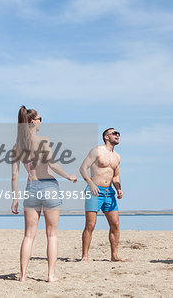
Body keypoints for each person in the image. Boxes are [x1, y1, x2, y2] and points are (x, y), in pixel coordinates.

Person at [11, 106, 77, 282]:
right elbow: (53, 164)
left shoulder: (17, 146)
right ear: (33, 121)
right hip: (48, 186)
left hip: (31, 186)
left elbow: (15, 175)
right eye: (40, 118)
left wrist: (14, 199)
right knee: (52, 234)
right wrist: (68, 176)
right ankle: (50, 275)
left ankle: (23, 276)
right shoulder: (43, 140)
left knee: (29, 235)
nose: (40, 122)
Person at [80, 128, 124, 262]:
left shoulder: (117, 157)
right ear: (106, 137)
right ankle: (85, 256)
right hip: (94, 190)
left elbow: (115, 176)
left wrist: (118, 189)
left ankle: (114, 255)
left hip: (109, 192)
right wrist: (91, 183)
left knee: (115, 224)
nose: (117, 135)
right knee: (90, 224)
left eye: (118, 134)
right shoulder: (97, 151)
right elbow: (83, 168)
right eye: (114, 133)